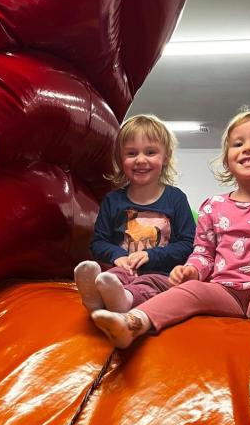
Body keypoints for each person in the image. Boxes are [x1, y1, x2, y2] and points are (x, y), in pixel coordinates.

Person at [91, 108, 250, 372]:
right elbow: (203, 253)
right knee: (190, 290)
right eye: (238, 144)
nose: (247, 148)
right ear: (227, 159)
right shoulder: (213, 205)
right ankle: (134, 322)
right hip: (224, 290)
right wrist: (192, 270)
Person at [74, 114, 195, 314]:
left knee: (148, 284)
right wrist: (118, 256)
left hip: (161, 274)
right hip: (123, 270)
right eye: (131, 153)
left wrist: (150, 255)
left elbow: (187, 244)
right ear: (120, 159)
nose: (140, 160)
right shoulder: (113, 200)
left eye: (150, 152)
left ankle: (124, 300)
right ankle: (95, 297)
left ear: (165, 157)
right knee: (112, 277)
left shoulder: (176, 199)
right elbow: (99, 242)